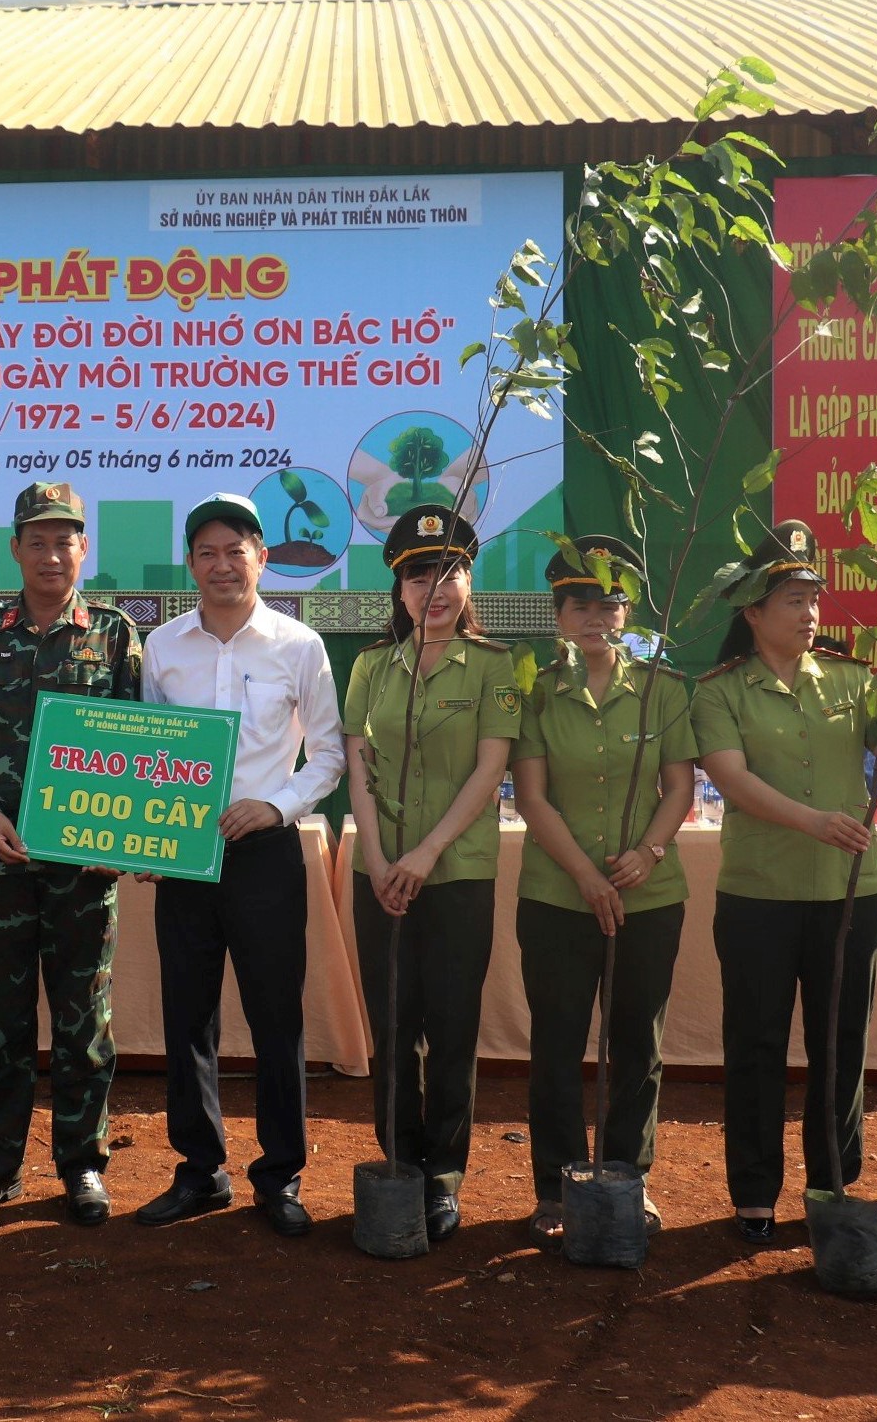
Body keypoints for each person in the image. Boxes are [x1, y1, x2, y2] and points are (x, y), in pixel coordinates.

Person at [692, 519, 877, 1245]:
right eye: (791, 601)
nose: (809, 614)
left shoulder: (851, 677)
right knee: (755, 1045)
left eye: (814, 598)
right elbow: (731, 780)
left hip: (846, 895)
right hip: (758, 896)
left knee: (841, 1045)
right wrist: (813, 821)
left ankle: (833, 1184)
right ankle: (753, 1194)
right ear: (752, 613)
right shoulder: (719, 691)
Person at [136, 493, 345, 1236]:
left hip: (265, 856)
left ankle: (280, 1176)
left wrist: (275, 806)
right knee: (187, 1017)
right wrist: (142, 836)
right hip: (185, 859)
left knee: (275, 1020)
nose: (223, 565)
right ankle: (200, 1172)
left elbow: (328, 754)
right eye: (208, 552)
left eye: (237, 550)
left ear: (262, 557)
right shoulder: (161, 646)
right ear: (191, 564)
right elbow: (149, 757)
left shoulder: (298, 646)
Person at [0, 481, 142, 1226]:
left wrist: (123, 837)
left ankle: (81, 1167)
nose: (52, 554)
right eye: (38, 540)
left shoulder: (115, 635)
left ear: (84, 549)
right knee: (4, 1023)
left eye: (66, 540)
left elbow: (142, 744)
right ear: (16, 549)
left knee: (84, 1025)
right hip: (3, 864)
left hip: (85, 873)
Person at [512, 535, 695, 1245]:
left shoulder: (664, 688)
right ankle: (556, 1188)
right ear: (558, 616)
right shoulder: (534, 694)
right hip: (557, 895)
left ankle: (627, 1177)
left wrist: (649, 853)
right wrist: (586, 875)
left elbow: (679, 786)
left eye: (609, 603)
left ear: (628, 613)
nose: (595, 616)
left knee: (636, 1043)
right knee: (556, 1043)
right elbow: (531, 795)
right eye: (578, 604)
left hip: (649, 894)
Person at [341, 504, 517, 1244]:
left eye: (449, 571)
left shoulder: (495, 667)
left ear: (469, 581)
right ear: (399, 589)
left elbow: (491, 767)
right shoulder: (371, 667)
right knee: (391, 1026)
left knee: (450, 1028)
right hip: (377, 871)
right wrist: (381, 858)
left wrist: (425, 853)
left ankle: (444, 1174)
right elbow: (358, 767)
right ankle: (399, 1163)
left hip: (458, 871)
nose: (434, 587)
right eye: (418, 575)